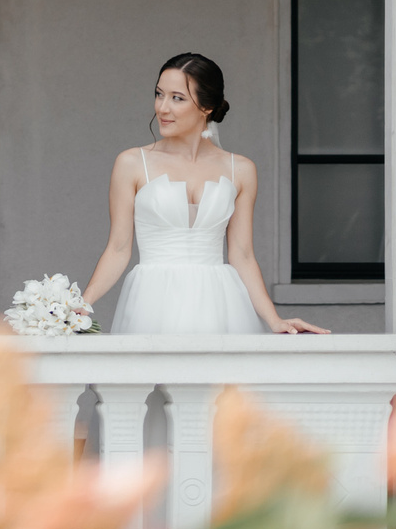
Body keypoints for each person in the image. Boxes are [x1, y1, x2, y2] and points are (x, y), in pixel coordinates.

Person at [78, 53, 327, 336]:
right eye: (159, 94)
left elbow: (242, 254)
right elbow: (119, 248)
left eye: (177, 98)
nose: (163, 107)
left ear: (207, 106)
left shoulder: (241, 169)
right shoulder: (132, 163)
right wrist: (82, 304)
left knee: (223, 378)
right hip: (153, 299)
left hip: (221, 301)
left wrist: (275, 320)